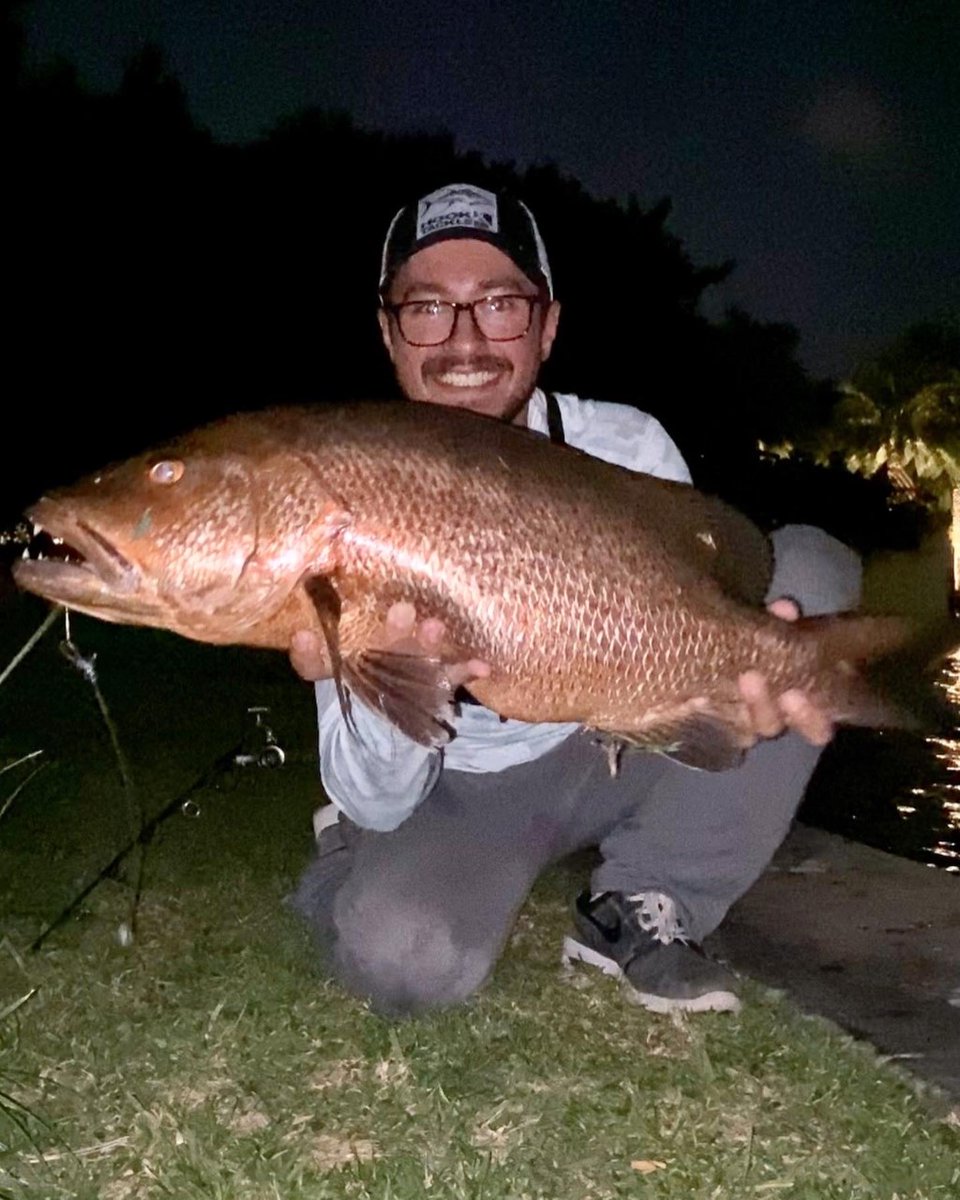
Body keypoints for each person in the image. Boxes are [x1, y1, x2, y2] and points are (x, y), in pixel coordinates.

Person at [289, 182, 861, 1016]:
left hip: (612, 746)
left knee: (813, 567)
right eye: (427, 309)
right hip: (472, 792)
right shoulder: (356, 481)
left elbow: (688, 625)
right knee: (404, 962)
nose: (464, 341)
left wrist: (732, 686)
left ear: (548, 324)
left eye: (500, 306)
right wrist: (395, 679)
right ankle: (353, 860)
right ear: (387, 331)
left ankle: (638, 907)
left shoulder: (623, 446)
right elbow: (378, 789)